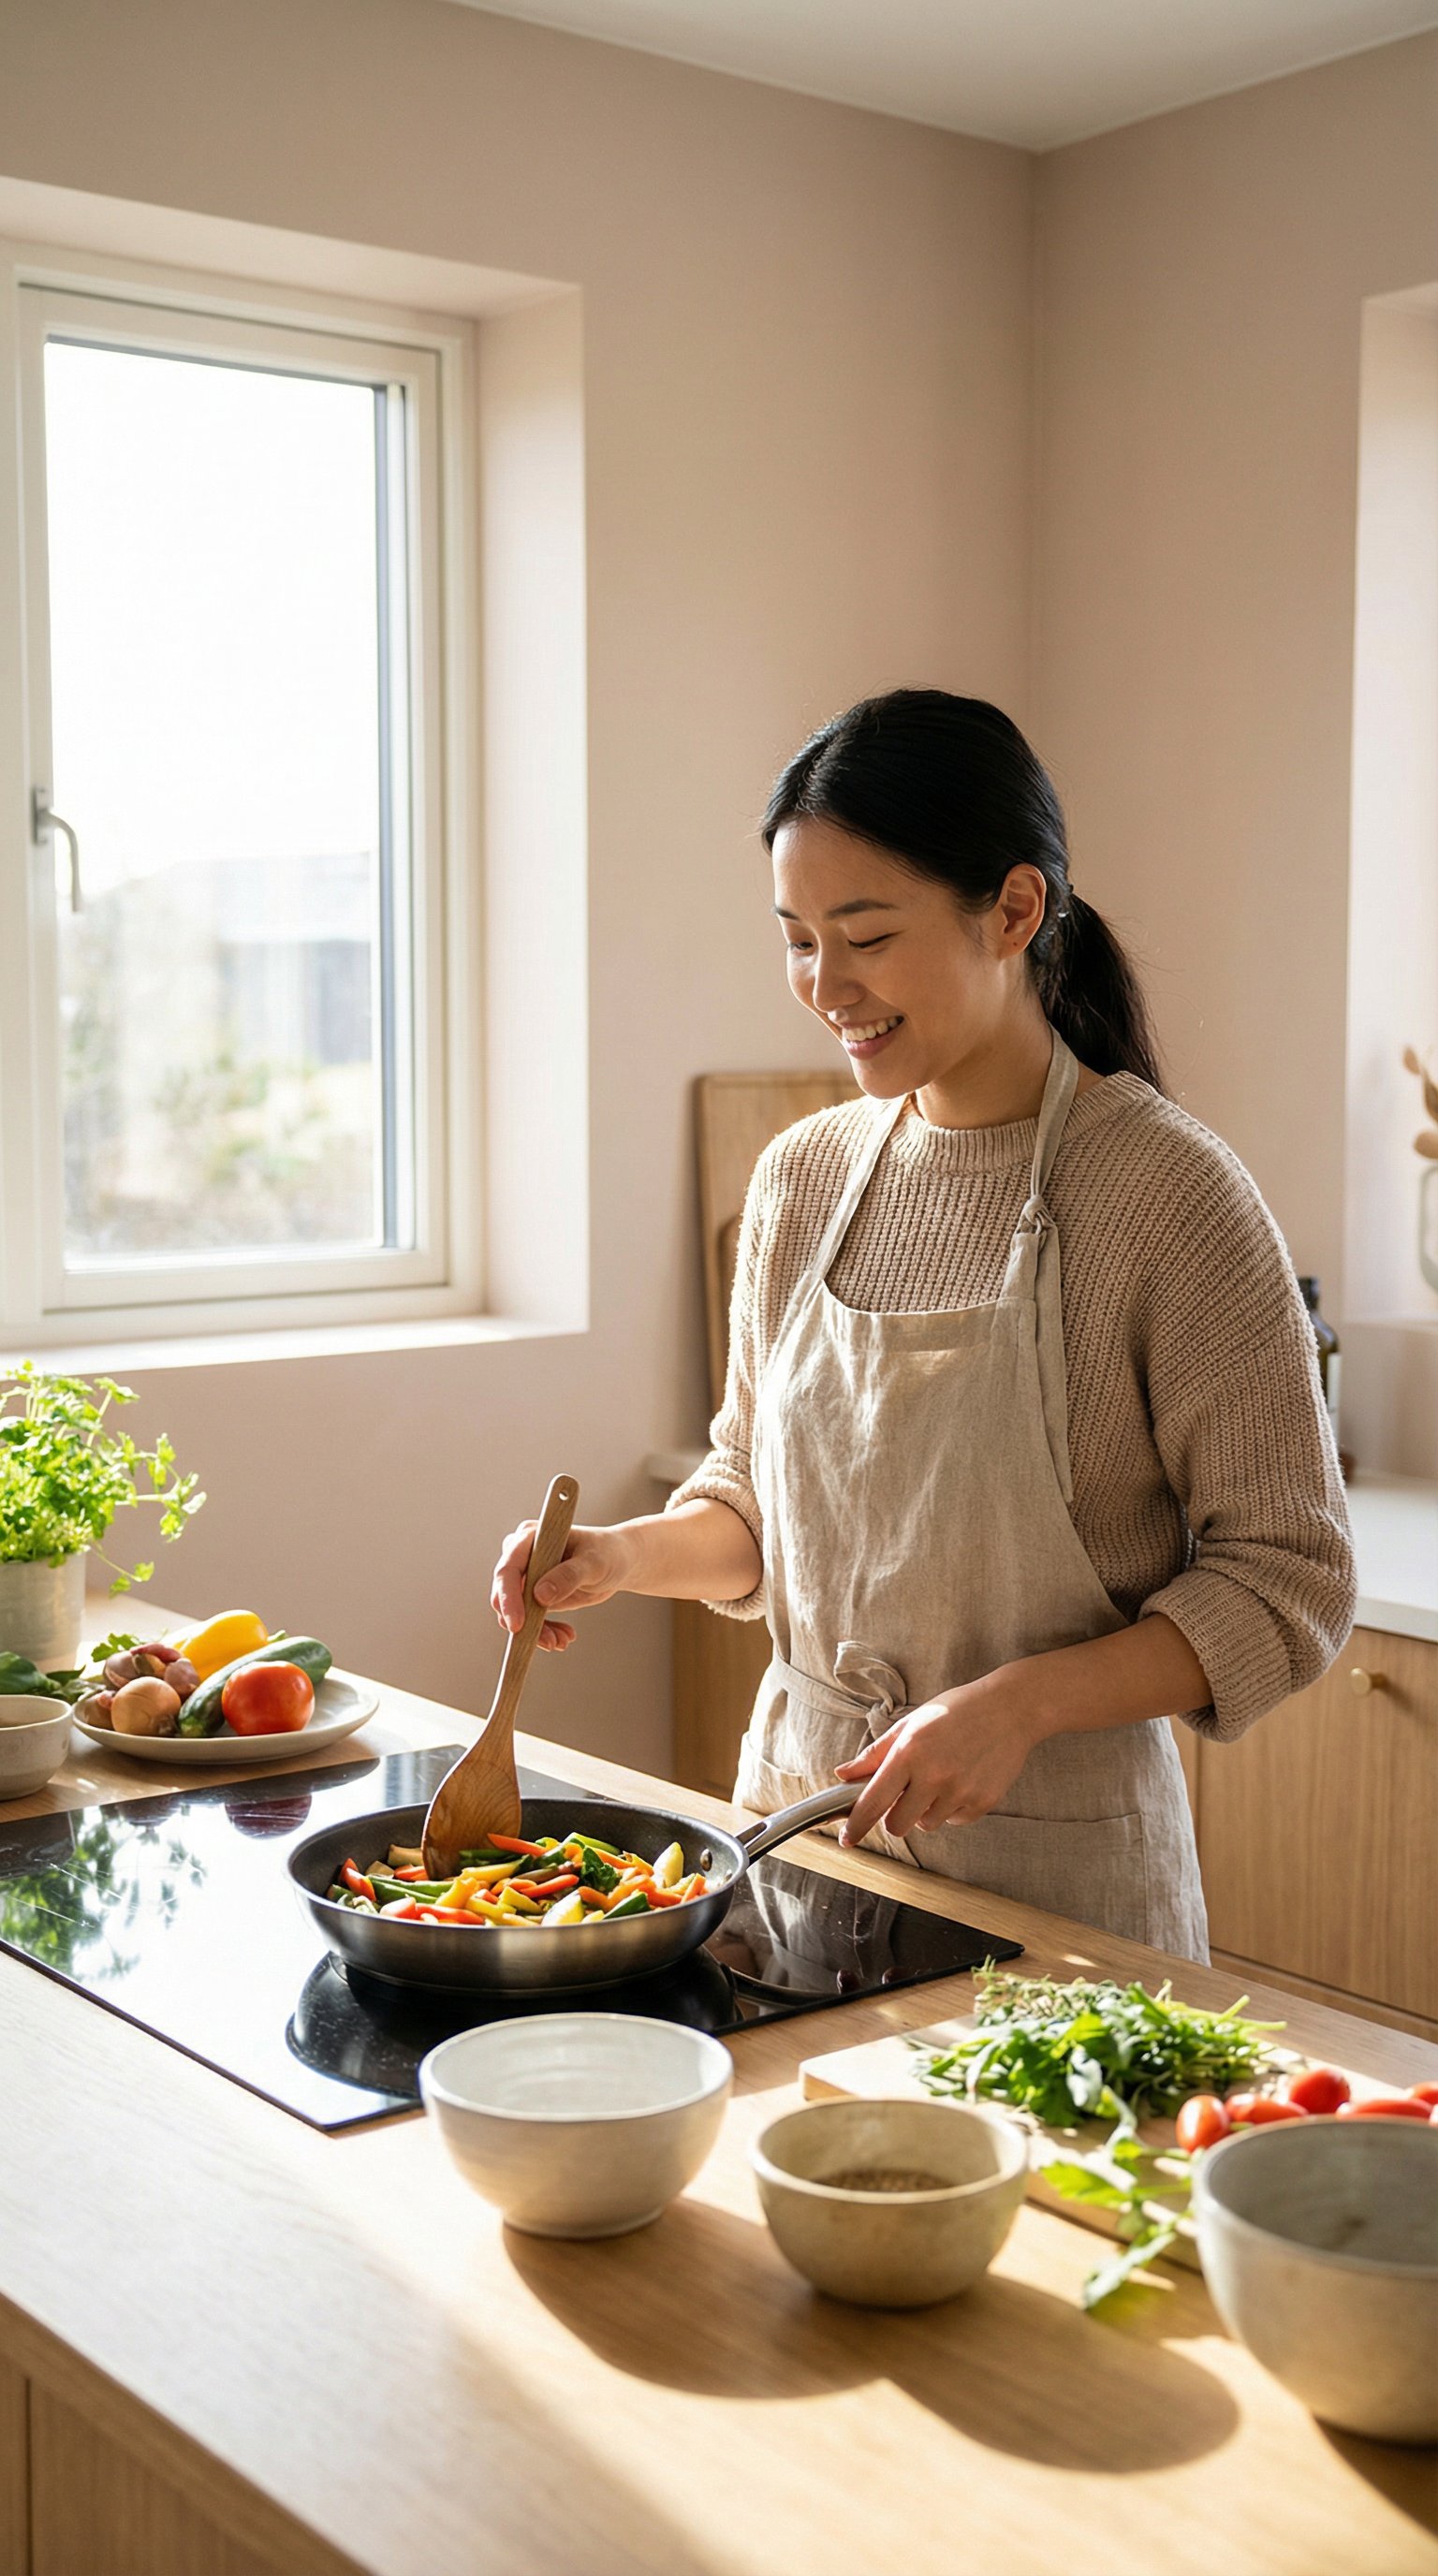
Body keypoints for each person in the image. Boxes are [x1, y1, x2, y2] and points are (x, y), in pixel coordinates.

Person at [492, 691, 1357, 1961]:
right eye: (795, 941)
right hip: (796, 1833)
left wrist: (1020, 1705)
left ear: (1015, 910)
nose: (824, 987)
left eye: (867, 936)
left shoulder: (1167, 1192)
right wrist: (620, 1558)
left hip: (1055, 1882)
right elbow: (756, 1513)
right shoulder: (801, 1179)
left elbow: (1291, 1578)